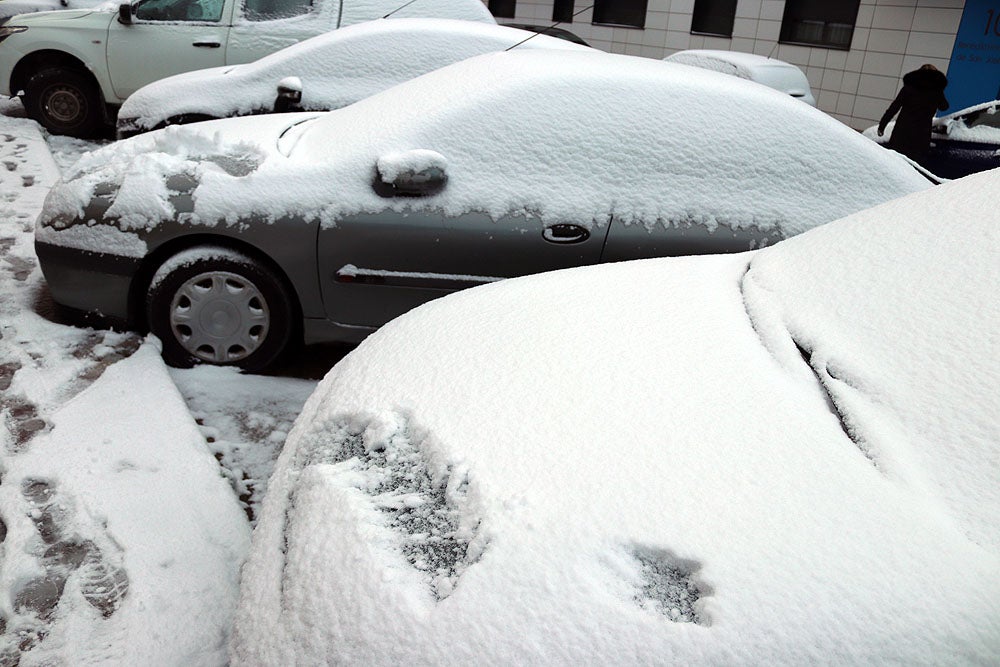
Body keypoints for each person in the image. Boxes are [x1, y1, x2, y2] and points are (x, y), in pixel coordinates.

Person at [878, 64, 949, 161]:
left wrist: (882, 125)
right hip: (922, 134)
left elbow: (894, 108)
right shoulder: (936, 92)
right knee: (914, 165)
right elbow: (944, 107)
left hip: (902, 132)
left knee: (895, 161)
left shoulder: (908, 88)